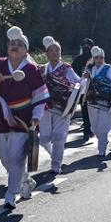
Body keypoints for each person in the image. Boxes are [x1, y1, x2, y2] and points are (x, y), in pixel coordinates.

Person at [0, 26, 49, 210]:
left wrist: (36, 117)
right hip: (1, 117)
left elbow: (40, 96)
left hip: (23, 119)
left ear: (25, 50)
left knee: (16, 157)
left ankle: (11, 195)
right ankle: (26, 179)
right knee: (5, 159)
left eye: (19, 44)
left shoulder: (32, 70)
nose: (14, 46)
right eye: (12, 44)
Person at [38, 36, 82, 177]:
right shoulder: (42, 69)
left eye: (57, 50)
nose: (54, 53)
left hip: (62, 108)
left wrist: (84, 82)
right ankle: (54, 154)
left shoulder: (66, 68)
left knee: (59, 137)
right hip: (45, 108)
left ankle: (56, 166)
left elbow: (78, 84)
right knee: (44, 139)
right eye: (51, 50)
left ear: (60, 53)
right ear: (47, 53)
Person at [83, 46, 111, 159]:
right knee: (95, 128)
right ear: (93, 58)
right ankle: (103, 140)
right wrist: (85, 78)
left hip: (106, 101)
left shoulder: (109, 68)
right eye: (97, 58)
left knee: (103, 126)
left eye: (101, 57)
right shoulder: (90, 69)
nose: (99, 60)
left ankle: (102, 149)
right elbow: (84, 85)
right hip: (92, 102)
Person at [72, 38, 94, 142]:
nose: (87, 48)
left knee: (92, 111)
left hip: (93, 89)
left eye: (88, 46)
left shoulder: (95, 60)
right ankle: (86, 130)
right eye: (85, 46)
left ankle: (90, 128)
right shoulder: (77, 60)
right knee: (85, 110)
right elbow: (72, 73)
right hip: (82, 89)